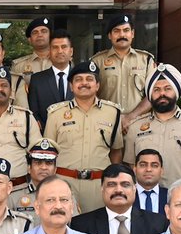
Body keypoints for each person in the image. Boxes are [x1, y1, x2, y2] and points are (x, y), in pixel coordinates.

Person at [43, 60, 123, 213]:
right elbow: (49, 154)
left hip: (98, 184)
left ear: (98, 85)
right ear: (71, 86)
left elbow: (116, 150)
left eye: (89, 79)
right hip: (65, 182)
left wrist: (112, 179)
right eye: (78, 80)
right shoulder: (56, 114)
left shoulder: (113, 113)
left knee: (96, 228)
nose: (84, 83)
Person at [123, 64, 181, 187]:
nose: (162, 93)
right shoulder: (135, 127)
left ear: (176, 91)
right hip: (149, 201)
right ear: (150, 95)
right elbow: (130, 166)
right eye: (156, 90)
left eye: (167, 88)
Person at [89, 14, 158, 127]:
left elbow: (153, 94)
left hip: (139, 124)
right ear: (110, 35)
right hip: (106, 124)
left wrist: (130, 117)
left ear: (132, 34)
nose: (122, 35)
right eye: (116, 31)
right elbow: (90, 95)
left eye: (126, 30)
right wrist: (114, 118)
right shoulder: (97, 61)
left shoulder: (146, 60)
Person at [9, 139, 77, 221]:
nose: (44, 167)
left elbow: (74, 225)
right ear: (29, 168)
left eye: (48, 163)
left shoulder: (66, 195)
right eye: (38, 162)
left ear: (55, 169)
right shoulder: (14, 197)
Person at [26, 30, 74, 119]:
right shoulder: (37, 80)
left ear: (71, 51)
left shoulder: (81, 78)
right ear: (49, 52)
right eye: (55, 47)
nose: (60, 51)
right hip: (46, 131)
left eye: (64, 47)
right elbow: (34, 113)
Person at [11, 17, 55, 85]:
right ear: (30, 40)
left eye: (44, 31)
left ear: (51, 36)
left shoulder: (62, 62)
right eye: (35, 32)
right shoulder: (19, 66)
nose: (40, 35)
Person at [133, 148, 169, 214]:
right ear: (135, 169)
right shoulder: (126, 195)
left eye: (154, 165)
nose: (148, 169)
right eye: (143, 165)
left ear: (161, 170)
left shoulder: (170, 196)